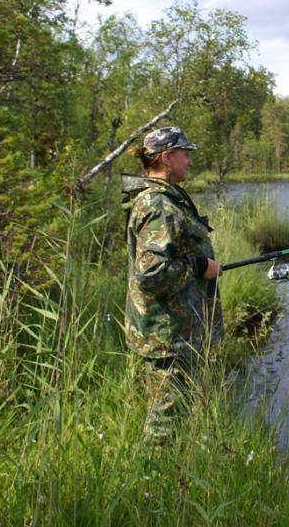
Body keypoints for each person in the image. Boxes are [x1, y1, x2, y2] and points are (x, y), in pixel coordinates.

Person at [122, 126, 223, 439]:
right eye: (185, 154)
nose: (190, 162)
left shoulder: (163, 200)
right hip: (169, 337)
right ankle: (153, 480)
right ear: (167, 158)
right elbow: (152, 274)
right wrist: (199, 265)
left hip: (174, 332)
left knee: (176, 414)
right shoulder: (158, 206)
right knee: (164, 425)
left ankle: (173, 475)